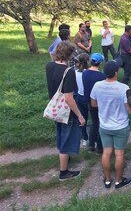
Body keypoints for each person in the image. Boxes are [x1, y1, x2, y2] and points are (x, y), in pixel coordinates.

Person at [45, 41, 85, 181]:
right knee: (67, 138)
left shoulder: (49, 66)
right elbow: (69, 98)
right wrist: (79, 115)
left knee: (61, 133)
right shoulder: (69, 72)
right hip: (66, 110)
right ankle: (64, 172)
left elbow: (52, 55)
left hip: (55, 107)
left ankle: (65, 159)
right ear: (69, 55)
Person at [90, 60, 131, 189]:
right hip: (121, 126)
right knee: (119, 154)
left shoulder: (97, 85)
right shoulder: (123, 88)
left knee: (106, 153)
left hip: (104, 126)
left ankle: (108, 180)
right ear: (116, 72)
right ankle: (119, 181)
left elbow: (93, 104)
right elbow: (129, 111)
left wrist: (104, 104)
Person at [82, 53, 106, 154]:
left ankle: (91, 144)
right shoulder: (102, 76)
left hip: (89, 102)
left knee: (94, 123)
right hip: (100, 103)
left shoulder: (85, 73)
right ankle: (100, 147)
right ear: (100, 63)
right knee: (101, 124)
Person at [74, 53, 90, 147]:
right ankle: (95, 139)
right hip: (89, 98)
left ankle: (85, 139)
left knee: (82, 118)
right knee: (95, 118)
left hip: (79, 97)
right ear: (88, 62)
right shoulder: (88, 73)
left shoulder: (75, 72)